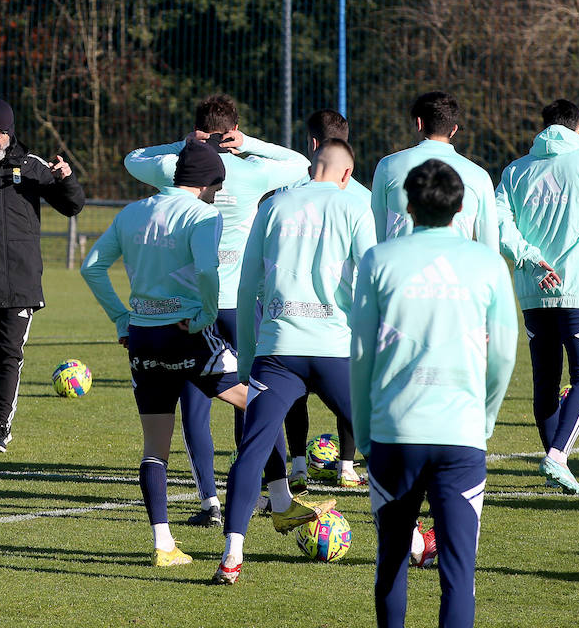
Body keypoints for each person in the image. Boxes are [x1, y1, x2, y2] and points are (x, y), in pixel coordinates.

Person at [123, 94, 308, 524]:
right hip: (241, 304)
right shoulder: (251, 168)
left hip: (191, 305)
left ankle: (209, 501)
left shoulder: (177, 169)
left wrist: (183, 145)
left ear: (197, 127)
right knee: (258, 395)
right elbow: (300, 162)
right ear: (235, 127)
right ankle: (274, 492)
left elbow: (133, 160)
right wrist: (250, 143)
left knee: (195, 404)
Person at [350, 160, 517, 628]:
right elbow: (504, 353)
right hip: (461, 435)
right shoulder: (487, 262)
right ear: (462, 207)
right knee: (458, 574)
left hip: (393, 433)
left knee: (391, 566)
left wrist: (364, 433)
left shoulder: (379, 260)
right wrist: (483, 419)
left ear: (407, 204)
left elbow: (360, 353)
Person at [81, 141, 248, 568]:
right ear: (210, 183)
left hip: (143, 337)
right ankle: (280, 496)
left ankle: (163, 544)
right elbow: (208, 270)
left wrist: (122, 318)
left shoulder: (132, 212)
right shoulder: (204, 215)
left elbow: (92, 267)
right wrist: (207, 313)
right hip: (189, 333)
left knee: (155, 446)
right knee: (261, 401)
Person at [211, 140, 369, 585]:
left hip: (276, 350)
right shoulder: (353, 206)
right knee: (378, 444)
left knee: (254, 450)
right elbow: (371, 282)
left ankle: (231, 557)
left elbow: (246, 288)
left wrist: (247, 362)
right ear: (345, 173)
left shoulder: (275, 206)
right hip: (334, 348)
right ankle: (414, 542)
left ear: (313, 166)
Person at [496, 99, 579, 496]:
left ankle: (556, 459)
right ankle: (558, 456)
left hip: (534, 291)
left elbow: (499, 224)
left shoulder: (516, 170)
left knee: (546, 382)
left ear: (543, 128)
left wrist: (531, 258)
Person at [0, 97, 85, 452]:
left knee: (9, 353)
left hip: (20, 281)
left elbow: (72, 206)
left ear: (10, 133)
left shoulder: (32, 166)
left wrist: (66, 179)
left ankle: (0, 425)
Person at [284, 109, 369, 493]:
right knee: (351, 396)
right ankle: (348, 467)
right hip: (345, 317)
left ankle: (298, 466)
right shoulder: (364, 198)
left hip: (292, 315)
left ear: (314, 145)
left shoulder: (289, 194)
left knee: (294, 391)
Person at [370, 92, 498, 247]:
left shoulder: (387, 166)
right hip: (457, 269)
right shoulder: (480, 176)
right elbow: (490, 245)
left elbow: (376, 231)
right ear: (454, 130)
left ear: (419, 123)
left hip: (401, 268)